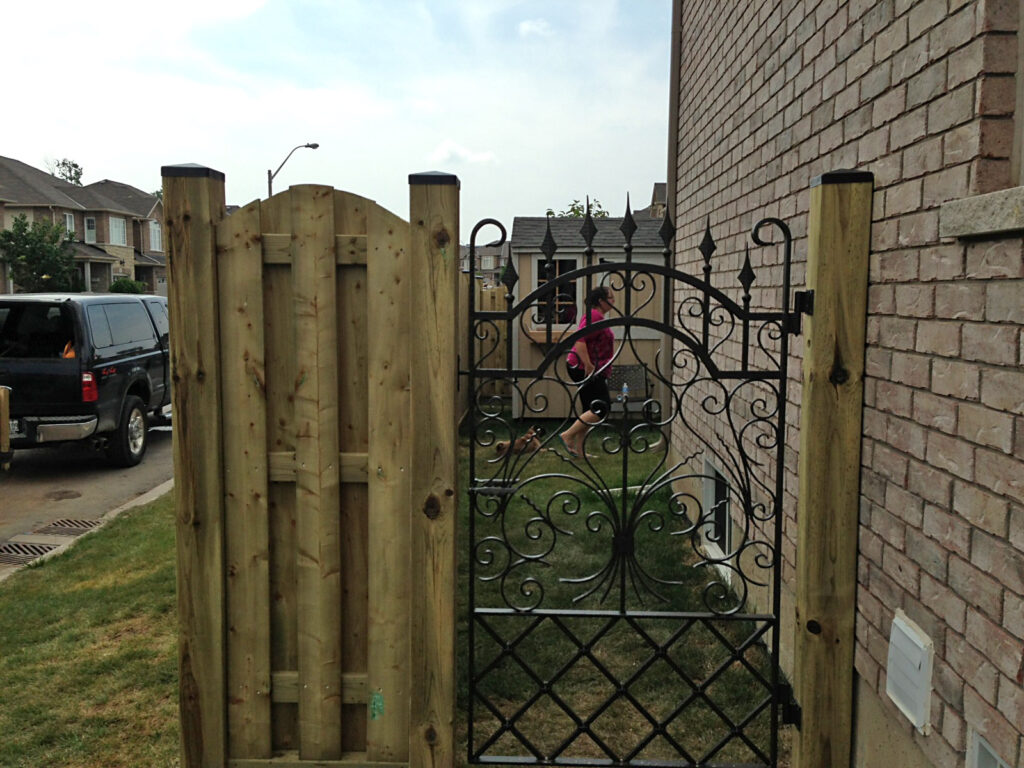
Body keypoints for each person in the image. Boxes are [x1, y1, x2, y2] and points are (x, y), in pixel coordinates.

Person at [559, 286, 615, 458]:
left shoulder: (597, 316)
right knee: (601, 407)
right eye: (611, 297)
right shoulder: (595, 316)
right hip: (585, 369)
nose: (614, 301)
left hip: (587, 368)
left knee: (588, 410)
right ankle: (567, 435)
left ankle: (581, 452)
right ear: (601, 301)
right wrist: (589, 365)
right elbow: (580, 340)